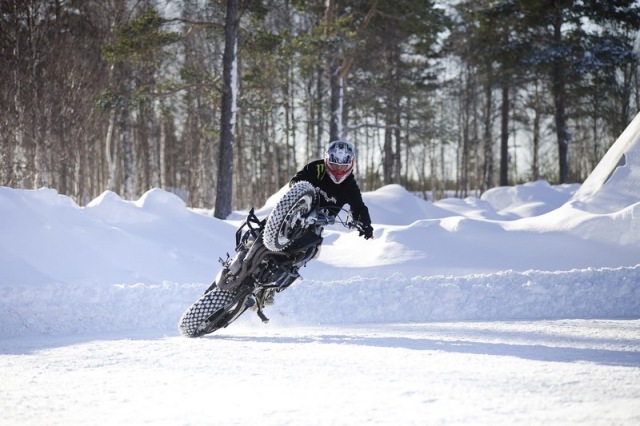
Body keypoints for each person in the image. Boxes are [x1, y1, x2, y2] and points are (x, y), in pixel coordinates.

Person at [290, 140, 374, 240]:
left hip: (318, 223)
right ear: (327, 161)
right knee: (266, 222)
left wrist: (365, 224)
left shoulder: (350, 185)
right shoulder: (317, 168)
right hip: (298, 209)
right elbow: (296, 180)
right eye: (334, 165)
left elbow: (359, 207)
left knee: (314, 245)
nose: (338, 169)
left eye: (342, 166)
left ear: (350, 164)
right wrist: (296, 189)